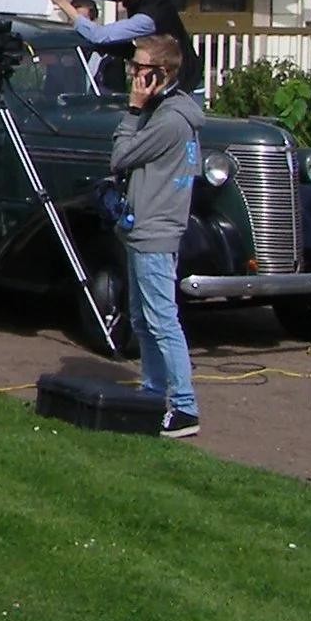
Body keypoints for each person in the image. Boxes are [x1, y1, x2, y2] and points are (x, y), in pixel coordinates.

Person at [112, 32, 206, 439]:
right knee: (142, 319)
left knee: (162, 319)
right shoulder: (168, 112)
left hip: (155, 232)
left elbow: (120, 157)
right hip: (145, 227)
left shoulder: (168, 120)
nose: (132, 75)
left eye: (139, 69)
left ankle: (184, 407)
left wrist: (132, 111)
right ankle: (153, 393)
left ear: (161, 74)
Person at [44, 0, 198, 82]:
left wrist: (62, 2)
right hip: (161, 75)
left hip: (183, 83)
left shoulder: (149, 18)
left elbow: (99, 35)